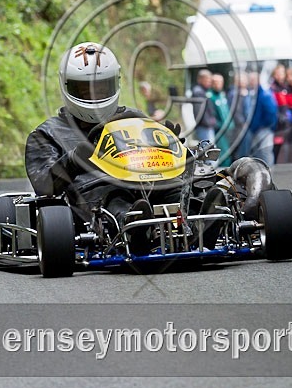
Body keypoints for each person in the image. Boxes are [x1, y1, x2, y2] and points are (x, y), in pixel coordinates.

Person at [24, 42, 180, 252]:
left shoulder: (133, 117)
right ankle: (134, 230)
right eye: (85, 88)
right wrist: (73, 160)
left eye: (101, 87)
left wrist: (168, 145)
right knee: (116, 196)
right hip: (94, 199)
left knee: (176, 186)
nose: (94, 94)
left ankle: (199, 224)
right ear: (67, 86)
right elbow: (44, 186)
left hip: (145, 182)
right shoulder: (46, 134)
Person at [246, 71, 278, 166]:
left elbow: (271, 112)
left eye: (252, 80)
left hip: (263, 129)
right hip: (257, 129)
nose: (250, 82)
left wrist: (266, 126)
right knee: (258, 153)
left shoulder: (264, 95)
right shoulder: (255, 94)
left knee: (264, 152)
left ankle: (269, 173)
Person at [207, 73, 233, 167]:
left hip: (228, 129)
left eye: (220, 82)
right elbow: (211, 114)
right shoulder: (210, 96)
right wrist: (218, 125)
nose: (218, 84)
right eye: (216, 82)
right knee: (223, 152)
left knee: (229, 151)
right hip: (219, 129)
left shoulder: (222, 94)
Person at [227, 72, 252, 160]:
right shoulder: (233, 94)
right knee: (240, 148)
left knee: (247, 148)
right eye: (241, 80)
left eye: (244, 80)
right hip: (240, 126)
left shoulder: (247, 92)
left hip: (247, 124)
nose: (243, 82)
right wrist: (242, 123)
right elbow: (235, 111)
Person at [191, 68, 218, 145]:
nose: (209, 82)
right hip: (204, 127)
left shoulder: (204, 91)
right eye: (207, 80)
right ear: (200, 79)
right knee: (208, 152)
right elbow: (199, 111)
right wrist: (209, 122)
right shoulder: (198, 92)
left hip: (206, 126)